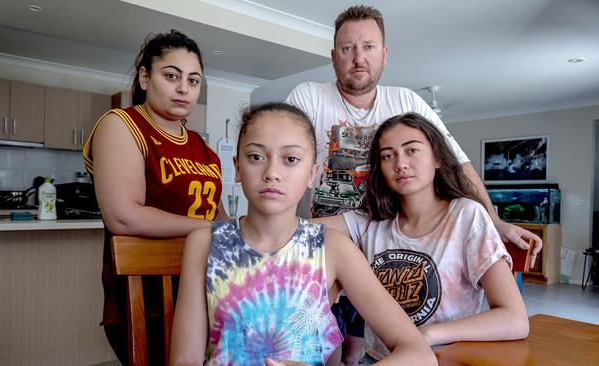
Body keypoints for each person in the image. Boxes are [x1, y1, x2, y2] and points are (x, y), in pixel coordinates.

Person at [285, 5, 539, 364]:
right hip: (347, 246)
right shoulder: (310, 97)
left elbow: (461, 162)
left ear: (384, 55)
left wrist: (493, 221)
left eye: (369, 47)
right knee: (327, 343)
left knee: (360, 345)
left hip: (435, 346)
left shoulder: (408, 105)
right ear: (333, 56)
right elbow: (286, 166)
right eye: (347, 49)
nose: (400, 163)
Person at [170, 103, 437, 366]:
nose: (272, 173)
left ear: (312, 173)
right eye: (256, 157)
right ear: (237, 168)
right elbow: (184, 359)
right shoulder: (205, 242)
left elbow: (418, 354)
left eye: (291, 160)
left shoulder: (333, 248)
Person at [317, 112, 529, 361]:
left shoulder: (466, 215)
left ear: (437, 157)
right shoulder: (370, 220)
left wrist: (425, 336)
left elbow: (515, 319)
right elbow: (295, 230)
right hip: (378, 358)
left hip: (442, 357)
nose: (400, 163)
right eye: (388, 155)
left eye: (412, 150)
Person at [83, 30, 228, 365]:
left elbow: (216, 214)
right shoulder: (121, 124)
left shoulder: (204, 148)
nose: (184, 89)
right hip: (146, 301)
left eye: (193, 81)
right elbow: (122, 215)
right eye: (171, 76)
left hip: (206, 295)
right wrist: (208, 229)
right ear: (145, 77)